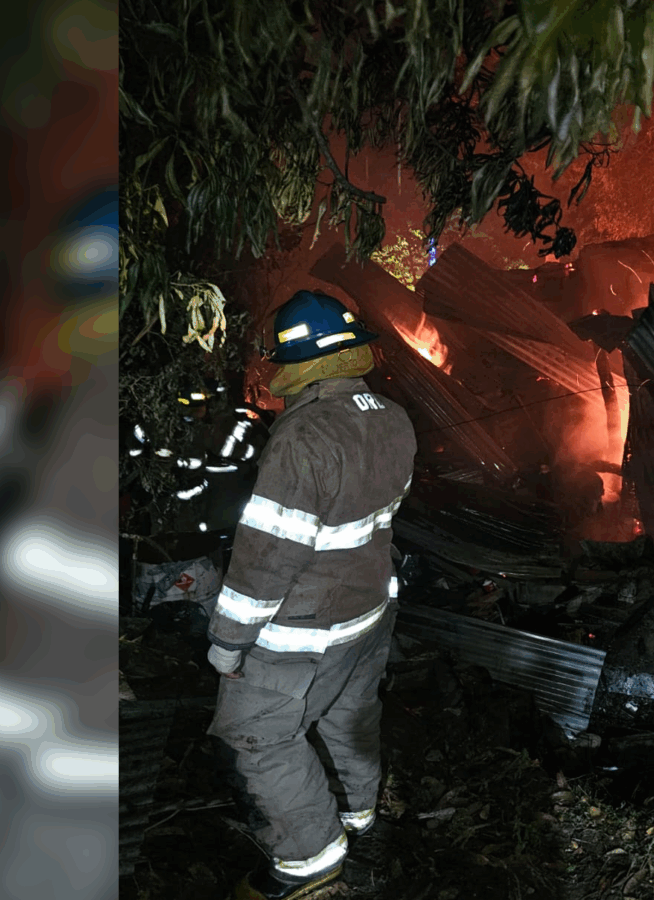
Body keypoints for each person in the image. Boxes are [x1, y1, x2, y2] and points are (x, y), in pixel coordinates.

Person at [205, 289, 417, 899]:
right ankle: (358, 821)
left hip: (304, 627)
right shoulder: (393, 417)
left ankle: (310, 863)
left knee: (261, 733)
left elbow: (267, 555)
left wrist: (227, 641)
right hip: (370, 610)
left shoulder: (304, 437)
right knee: (350, 716)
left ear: (294, 365)